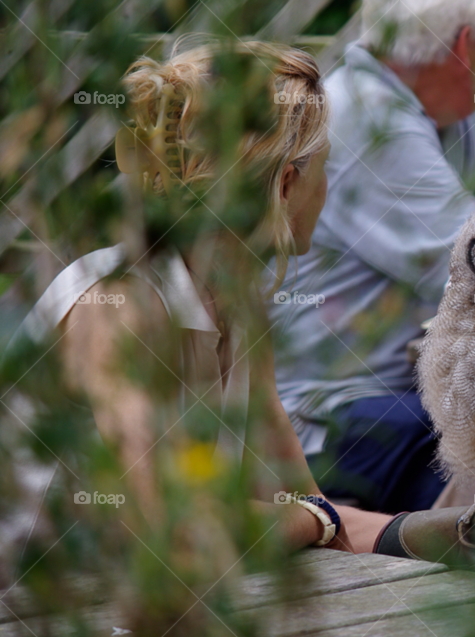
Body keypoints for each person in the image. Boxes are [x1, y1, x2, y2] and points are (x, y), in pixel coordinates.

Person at [7, 39, 392, 555]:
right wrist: (312, 519)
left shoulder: (238, 305)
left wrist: (450, 535)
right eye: (326, 167)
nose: (328, 190)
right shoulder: (113, 305)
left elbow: (308, 509)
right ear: (286, 184)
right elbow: (170, 530)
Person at [266, 0, 475, 514]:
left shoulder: (450, 113)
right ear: (466, 45)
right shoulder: (372, 121)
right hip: (329, 417)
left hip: (407, 392)